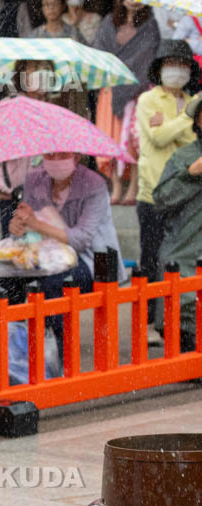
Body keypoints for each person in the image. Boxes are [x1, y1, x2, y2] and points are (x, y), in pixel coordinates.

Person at [4, 152, 127, 347]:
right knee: (1, 280)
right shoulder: (35, 179)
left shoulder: (93, 184)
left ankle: (56, 351)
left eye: (62, 155)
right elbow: (26, 225)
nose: (55, 159)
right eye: (50, 154)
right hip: (45, 255)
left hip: (93, 260)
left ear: (76, 157)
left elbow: (81, 240)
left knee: (53, 285)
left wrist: (35, 224)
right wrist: (17, 227)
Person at [135, 39, 199, 326]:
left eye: (183, 64)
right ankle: (148, 321)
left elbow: (190, 143)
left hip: (185, 196)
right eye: (171, 63)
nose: (177, 70)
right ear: (160, 67)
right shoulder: (148, 100)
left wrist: (174, 123)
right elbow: (158, 137)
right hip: (153, 194)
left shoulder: (191, 101)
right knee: (151, 259)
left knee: (178, 260)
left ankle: (175, 318)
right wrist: (187, 118)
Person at [93, 1, 160, 206]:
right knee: (109, 137)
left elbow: (148, 58)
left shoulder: (150, 24)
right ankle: (116, 185)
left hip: (138, 90)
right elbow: (99, 51)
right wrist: (113, 72)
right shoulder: (108, 22)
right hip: (110, 88)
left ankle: (133, 186)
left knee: (133, 141)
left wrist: (130, 77)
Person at [153, 95, 202, 350]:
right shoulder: (184, 157)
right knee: (181, 300)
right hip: (186, 247)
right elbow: (161, 199)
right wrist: (190, 174)